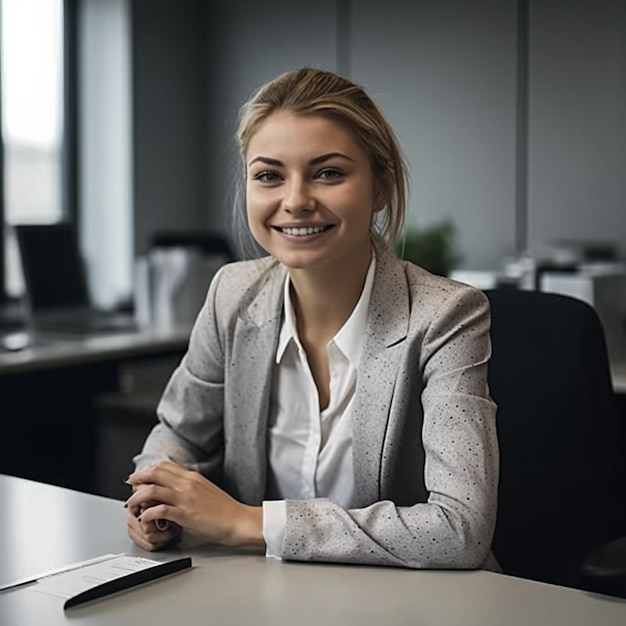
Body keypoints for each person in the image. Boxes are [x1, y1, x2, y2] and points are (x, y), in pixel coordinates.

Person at [125, 66, 499, 570]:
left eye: (328, 173)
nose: (296, 200)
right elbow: (179, 434)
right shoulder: (233, 294)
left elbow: (460, 531)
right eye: (269, 176)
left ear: (381, 187)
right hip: (259, 597)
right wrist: (156, 496)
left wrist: (247, 522)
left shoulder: (446, 316)